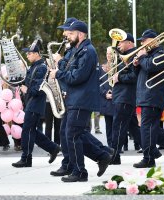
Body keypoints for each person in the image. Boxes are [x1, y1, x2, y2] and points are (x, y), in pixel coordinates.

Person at [49, 19, 111, 182]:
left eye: (70, 34)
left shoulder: (87, 52)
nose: (66, 37)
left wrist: (58, 73)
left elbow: (77, 76)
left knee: (73, 134)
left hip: (81, 98)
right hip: (74, 97)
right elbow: (70, 68)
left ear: (81, 34)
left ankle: (80, 172)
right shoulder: (78, 49)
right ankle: (102, 155)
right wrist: (60, 63)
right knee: (71, 133)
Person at [133, 29, 164, 168]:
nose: (142, 43)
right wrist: (136, 65)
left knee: (146, 128)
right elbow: (141, 72)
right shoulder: (148, 55)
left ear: (153, 41)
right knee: (152, 128)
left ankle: (148, 157)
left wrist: (142, 58)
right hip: (145, 95)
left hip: (153, 97)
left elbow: (150, 66)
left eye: (144, 40)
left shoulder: (161, 54)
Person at [12, 40, 60, 167]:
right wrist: (17, 81)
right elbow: (27, 82)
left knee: (27, 131)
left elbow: (37, 88)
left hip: (36, 103)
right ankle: (53, 148)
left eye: (29, 53)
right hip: (31, 103)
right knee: (32, 131)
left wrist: (26, 89)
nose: (27, 56)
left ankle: (26, 158)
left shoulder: (42, 68)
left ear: (36, 54)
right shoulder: (34, 67)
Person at [110, 33, 142, 165]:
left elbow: (134, 77)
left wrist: (119, 78)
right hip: (122, 95)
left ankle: (114, 156)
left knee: (118, 127)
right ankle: (153, 151)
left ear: (129, 42)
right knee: (134, 127)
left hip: (126, 96)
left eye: (121, 42)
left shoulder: (133, 55)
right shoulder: (123, 56)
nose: (118, 45)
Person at [99, 58, 114, 147]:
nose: (108, 56)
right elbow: (98, 84)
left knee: (117, 125)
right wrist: (105, 93)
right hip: (107, 100)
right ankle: (110, 145)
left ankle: (117, 145)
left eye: (110, 54)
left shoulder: (117, 66)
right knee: (109, 125)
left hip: (117, 99)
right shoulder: (101, 70)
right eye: (107, 54)